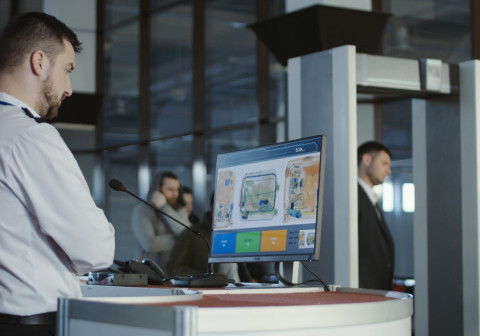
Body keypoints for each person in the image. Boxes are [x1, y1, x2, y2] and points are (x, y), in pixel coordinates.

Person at [0, 12, 115, 335]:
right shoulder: (30, 136)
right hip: (30, 323)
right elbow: (95, 251)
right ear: (39, 62)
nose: (68, 89)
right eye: (67, 70)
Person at [166, 193, 240, 282]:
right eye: (229, 207)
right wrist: (206, 277)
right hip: (204, 287)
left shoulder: (234, 233)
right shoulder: (192, 233)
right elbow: (173, 267)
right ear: (214, 207)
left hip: (233, 287)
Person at [131, 171, 191, 267]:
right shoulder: (141, 211)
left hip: (175, 273)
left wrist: (164, 207)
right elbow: (150, 244)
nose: (175, 194)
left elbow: (188, 235)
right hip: (149, 274)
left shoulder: (178, 209)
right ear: (158, 189)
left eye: (177, 189)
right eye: (170, 189)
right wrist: (178, 239)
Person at [357, 141, 395, 290]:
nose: (389, 171)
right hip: (362, 292)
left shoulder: (372, 199)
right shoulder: (353, 197)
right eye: (384, 163)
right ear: (366, 160)